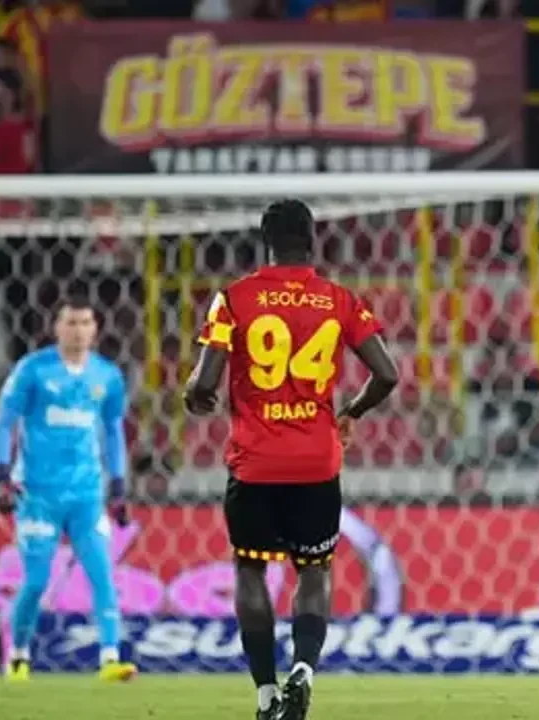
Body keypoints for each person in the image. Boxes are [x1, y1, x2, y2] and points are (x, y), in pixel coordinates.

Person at [184, 199, 399, 720]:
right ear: (312, 240)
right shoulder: (339, 300)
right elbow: (388, 375)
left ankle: (265, 695)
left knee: (251, 571)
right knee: (314, 571)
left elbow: (205, 383)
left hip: (255, 463)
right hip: (316, 463)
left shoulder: (233, 299)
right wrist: (351, 411)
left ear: (265, 242)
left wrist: (196, 391)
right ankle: (303, 670)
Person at [0, 294, 137, 683]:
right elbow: (3, 422)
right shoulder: (33, 370)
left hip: (87, 494)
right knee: (37, 580)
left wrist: (118, 487)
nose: (78, 331)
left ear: (95, 328)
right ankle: (18, 656)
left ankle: (110, 658)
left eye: (85, 322)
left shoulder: (107, 376)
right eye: (70, 322)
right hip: (38, 494)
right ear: (56, 327)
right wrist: (3, 476)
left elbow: (113, 432)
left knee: (102, 575)